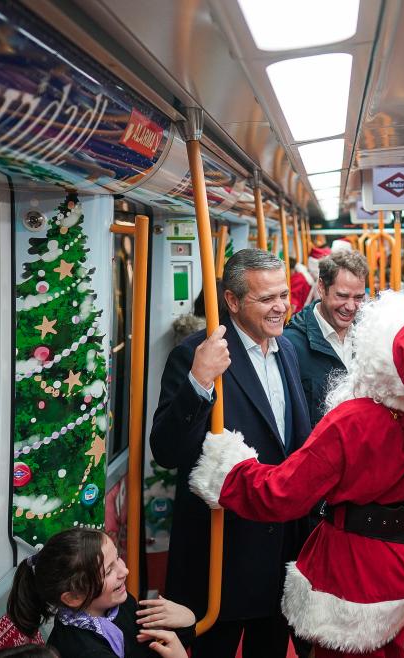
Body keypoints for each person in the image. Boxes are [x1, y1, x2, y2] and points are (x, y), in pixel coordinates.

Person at [189, 291, 404, 657]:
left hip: (352, 566)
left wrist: (228, 470)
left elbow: (283, 493)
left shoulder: (353, 423)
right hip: (402, 553)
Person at [149, 248, 312, 657]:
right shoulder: (196, 354)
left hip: (280, 551)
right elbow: (166, 450)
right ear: (233, 301)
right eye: (266, 299)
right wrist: (199, 382)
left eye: (283, 296)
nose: (279, 308)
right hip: (222, 550)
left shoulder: (287, 350)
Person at [5, 528, 195, 658]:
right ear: (73, 597)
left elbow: (148, 651)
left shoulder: (119, 603)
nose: (125, 571)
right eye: (109, 571)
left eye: (118, 558)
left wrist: (185, 624)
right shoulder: (84, 651)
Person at [284, 250, 369, 425]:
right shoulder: (291, 345)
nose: (351, 306)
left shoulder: (369, 336)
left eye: (359, 297)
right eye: (342, 296)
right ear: (321, 288)